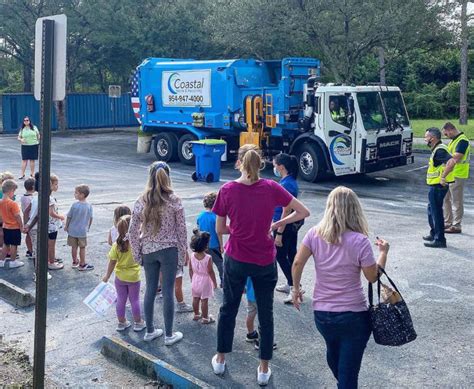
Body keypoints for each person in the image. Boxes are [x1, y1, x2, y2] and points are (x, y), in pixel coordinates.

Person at [211, 144, 310, 386]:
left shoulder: (227, 190)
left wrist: (238, 230)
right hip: (264, 260)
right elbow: (303, 211)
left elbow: (220, 228)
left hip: (236, 257)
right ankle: (263, 367)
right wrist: (275, 225)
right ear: (261, 164)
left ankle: (221, 358)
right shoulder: (271, 187)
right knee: (266, 313)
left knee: (228, 308)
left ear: (238, 163)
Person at [290, 186, 390, 389]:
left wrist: (295, 289)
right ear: (354, 210)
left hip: (323, 314)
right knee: (348, 373)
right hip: (354, 314)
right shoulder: (360, 241)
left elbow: (297, 263)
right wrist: (383, 253)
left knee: (335, 358)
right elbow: (372, 277)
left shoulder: (314, 234)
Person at [129, 161, 187, 346]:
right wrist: (183, 252)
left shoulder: (141, 200)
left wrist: (137, 253)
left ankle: (150, 331)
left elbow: (132, 230)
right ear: (168, 176)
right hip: (169, 250)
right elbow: (182, 230)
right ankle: (169, 335)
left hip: (148, 249)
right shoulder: (175, 200)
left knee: (150, 290)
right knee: (168, 291)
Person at [102, 215, 146, 332]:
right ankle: (138, 322)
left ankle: (121, 322)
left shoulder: (116, 245)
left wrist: (107, 276)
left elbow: (112, 262)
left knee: (121, 299)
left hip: (120, 277)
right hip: (133, 277)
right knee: (134, 300)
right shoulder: (136, 243)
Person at [272, 153, 302, 304]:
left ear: (281, 167)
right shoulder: (288, 182)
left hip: (284, 225)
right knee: (291, 254)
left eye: (275, 165)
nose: (274, 168)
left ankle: (293, 286)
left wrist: (278, 233)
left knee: (281, 256)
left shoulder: (286, 185)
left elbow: (286, 210)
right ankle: (292, 284)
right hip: (288, 225)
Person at [423, 128, 456, 248]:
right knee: (431, 210)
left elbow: (452, 162)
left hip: (438, 186)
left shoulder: (440, 150)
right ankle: (434, 233)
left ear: (432, 138)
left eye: (426, 137)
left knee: (436, 212)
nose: (425, 139)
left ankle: (440, 239)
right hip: (435, 185)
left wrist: (443, 177)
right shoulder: (437, 149)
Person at [442, 122, 471, 234]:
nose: (446, 136)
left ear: (450, 130)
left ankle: (456, 225)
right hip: (451, 174)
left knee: (456, 200)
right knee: (447, 199)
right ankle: (448, 222)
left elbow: (456, 158)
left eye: (446, 134)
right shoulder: (454, 141)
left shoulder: (462, 141)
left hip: (458, 174)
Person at [23, 173, 52, 281]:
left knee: (37, 251)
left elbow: (26, 211)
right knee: (38, 252)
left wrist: (25, 224)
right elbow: (38, 216)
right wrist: (29, 227)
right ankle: (38, 274)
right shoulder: (45, 199)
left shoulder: (35, 198)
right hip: (36, 228)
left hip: (32, 227)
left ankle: (40, 272)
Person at [189, 229, 217, 324]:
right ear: (206, 246)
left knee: (195, 298)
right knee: (204, 300)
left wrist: (192, 278)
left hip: (195, 279)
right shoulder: (208, 258)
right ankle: (205, 318)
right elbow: (210, 271)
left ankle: (196, 314)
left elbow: (190, 269)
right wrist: (214, 282)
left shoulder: (192, 255)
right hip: (205, 281)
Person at [197, 192, 224, 286]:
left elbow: (198, 230)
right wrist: (221, 245)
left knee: (206, 264)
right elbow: (219, 232)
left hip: (204, 245)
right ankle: (223, 281)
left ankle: (205, 282)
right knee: (220, 264)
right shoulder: (215, 217)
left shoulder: (200, 216)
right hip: (214, 245)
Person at [64, 184, 94, 271]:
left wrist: (66, 226)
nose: (74, 194)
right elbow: (91, 218)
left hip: (72, 230)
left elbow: (69, 216)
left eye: (76, 193)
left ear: (82, 195)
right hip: (82, 231)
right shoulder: (89, 206)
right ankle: (82, 263)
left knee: (74, 247)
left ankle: (74, 262)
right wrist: (88, 227)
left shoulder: (74, 205)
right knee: (82, 247)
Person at [245, 277, 277, 351]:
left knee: (250, 314)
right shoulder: (262, 268)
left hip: (250, 295)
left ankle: (251, 334)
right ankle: (262, 341)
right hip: (261, 296)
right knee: (264, 318)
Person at [0, 179, 25, 268]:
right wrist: (21, 226)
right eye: (14, 192)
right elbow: (17, 216)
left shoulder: (0, 202)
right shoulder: (13, 204)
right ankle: (13, 261)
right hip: (14, 227)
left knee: (5, 244)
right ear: (11, 190)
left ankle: (1, 260)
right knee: (14, 244)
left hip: (5, 226)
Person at [47, 174, 65, 270]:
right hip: (52, 225)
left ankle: (48, 259)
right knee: (51, 245)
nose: (57, 186)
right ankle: (51, 262)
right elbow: (51, 213)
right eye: (56, 184)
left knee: (47, 244)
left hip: (47, 224)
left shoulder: (45, 196)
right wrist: (60, 217)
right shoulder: (50, 199)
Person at [20, 177, 36, 258]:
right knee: (31, 236)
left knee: (28, 235)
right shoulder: (31, 198)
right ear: (33, 187)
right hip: (30, 219)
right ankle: (30, 251)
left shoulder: (23, 197)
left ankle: (29, 250)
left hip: (26, 219)